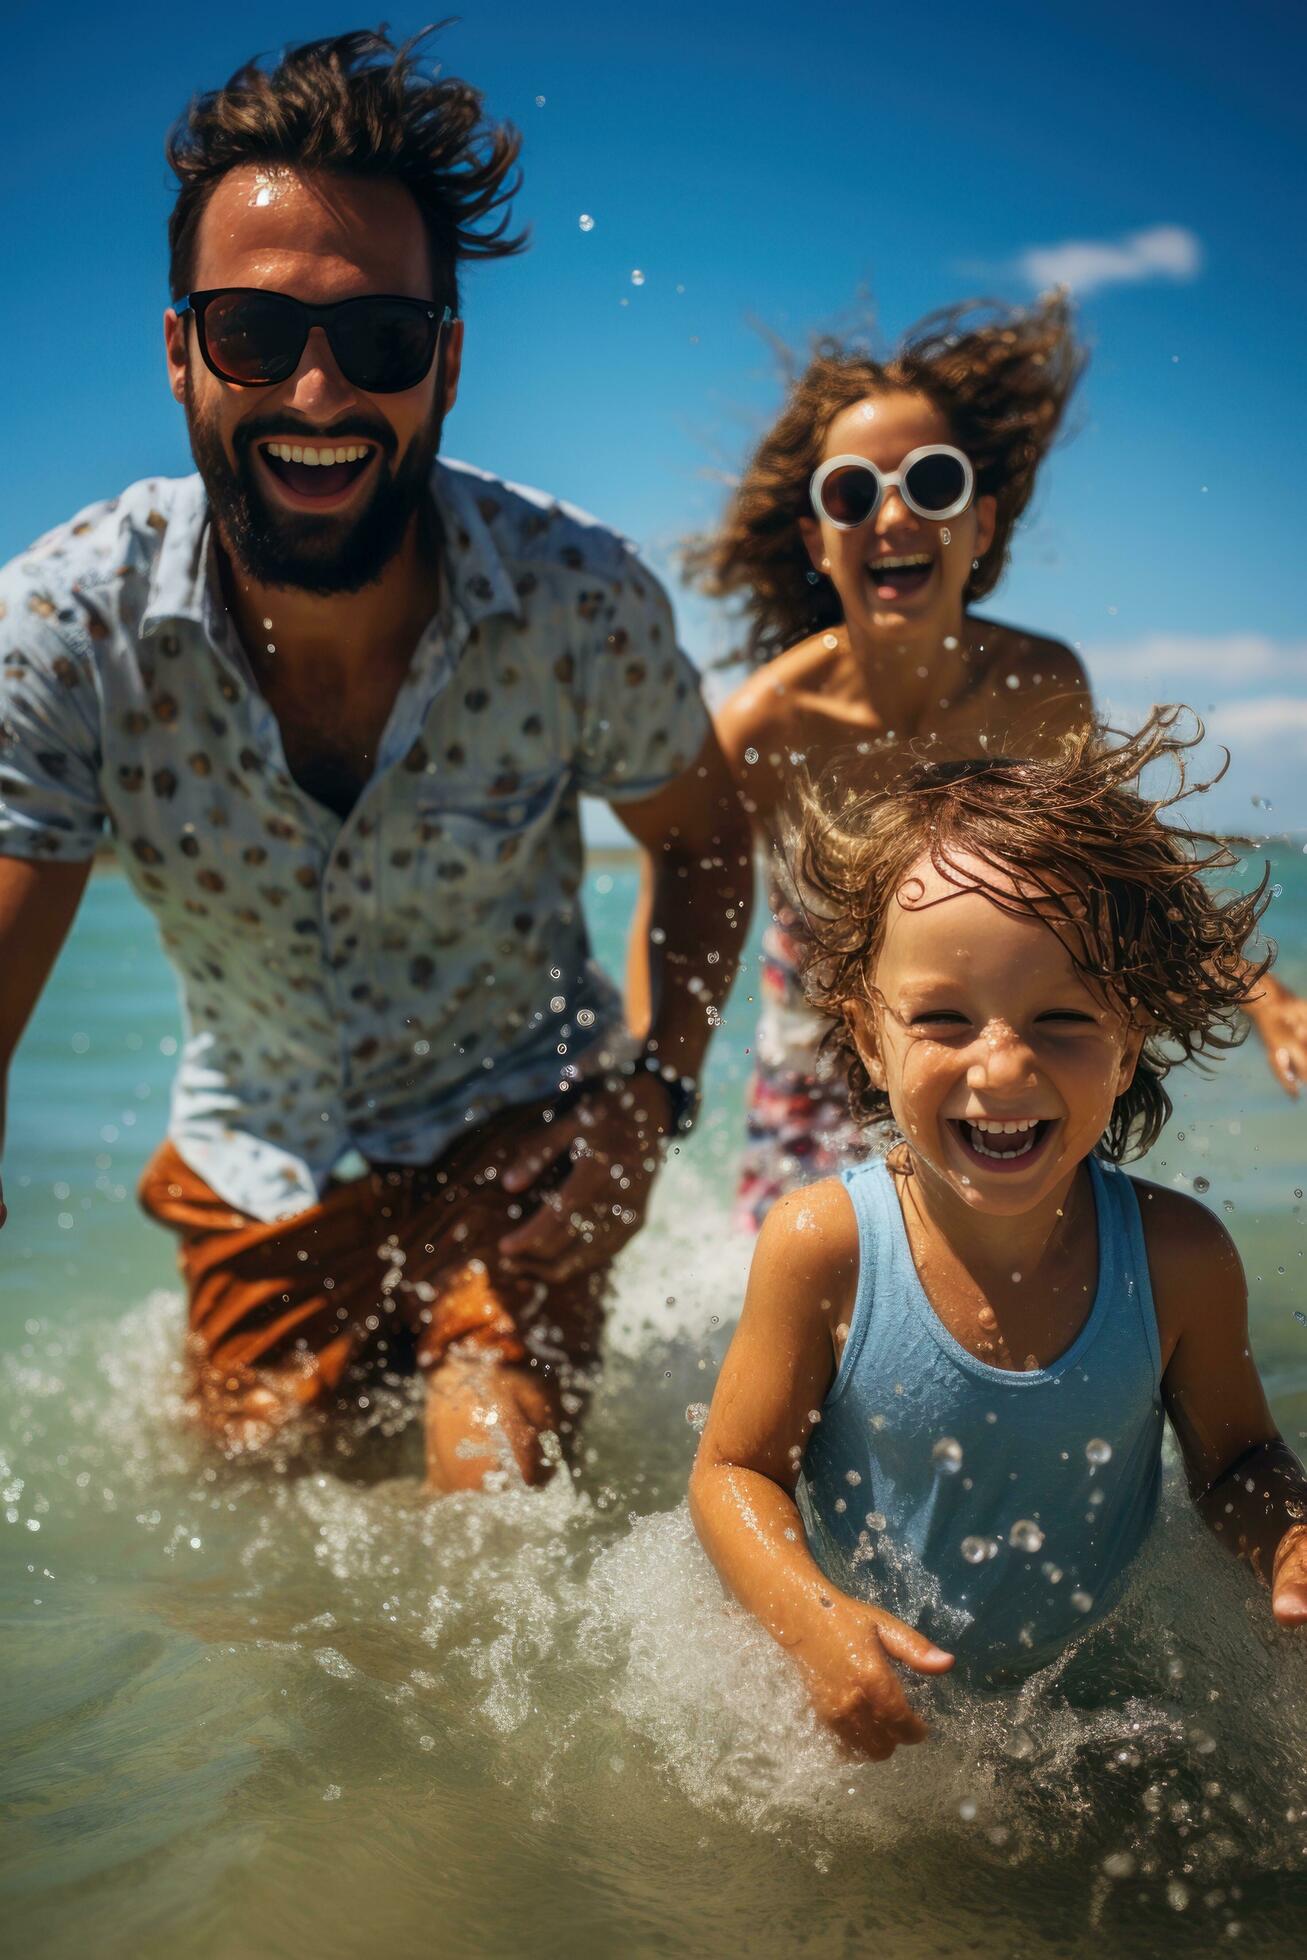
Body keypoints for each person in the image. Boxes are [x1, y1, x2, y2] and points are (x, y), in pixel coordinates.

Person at [0, 30, 750, 1489]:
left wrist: (647, 1102)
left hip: (518, 1129)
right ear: (178, 354)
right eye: (256, 336)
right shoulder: (64, 629)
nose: (321, 394)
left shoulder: (575, 597)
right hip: (254, 1166)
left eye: (382, 341)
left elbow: (708, 840)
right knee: (257, 1553)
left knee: (499, 1485)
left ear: (448, 365)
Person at [689, 713, 1307, 1761]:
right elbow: (732, 1473)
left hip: (1090, 1688)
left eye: (1062, 1020)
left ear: (1127, 1046)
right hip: (871, 1683)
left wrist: (1287, 1540)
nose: (1002, 1067)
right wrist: (810, 1619)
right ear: (864, 1037)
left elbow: (1236, 1460)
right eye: (942, 1019)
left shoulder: (1176, 1260)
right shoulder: (823, 1246)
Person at [686, 298, 1307, 1227]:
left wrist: (1267, 999)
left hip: (987, 1054)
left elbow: (1122, 871)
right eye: (854, 495)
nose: (892, 514)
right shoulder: (768, 722)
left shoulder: (1036, 684)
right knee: (799, 1287)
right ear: (817, 541)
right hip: (816, 1058)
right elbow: (685, 911)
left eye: (928, 484)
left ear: (977, 528)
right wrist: (648, 1082)